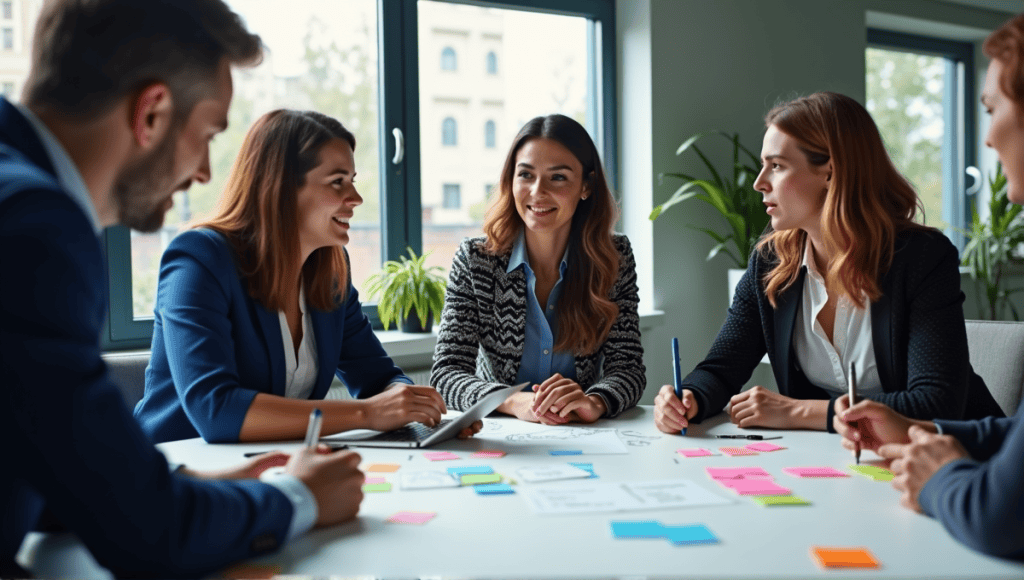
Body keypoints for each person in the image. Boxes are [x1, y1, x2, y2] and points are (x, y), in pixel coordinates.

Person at [1, 1, 364, 576]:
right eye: (208, 133)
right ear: (152, 113)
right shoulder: (35, 226)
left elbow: (39, 454)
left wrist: (173, 484)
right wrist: (300, 497)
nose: (203, 174)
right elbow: (149, 533)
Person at [654, 91, 1004, 435]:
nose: (760, 183)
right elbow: (720, 369)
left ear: (831, 172)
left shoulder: (922, 259)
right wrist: (689, 397)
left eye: (776, 166)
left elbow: (936, 403)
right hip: (843, 461)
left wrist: (802, 411)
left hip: (959, 461)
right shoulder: (770, 263)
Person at [134, 109, 477, 444]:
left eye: (352, 182)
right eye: (337, 182)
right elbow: (216, 409)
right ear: (281, 188)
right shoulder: (199, 259)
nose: (355, 198)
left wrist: (412, 405)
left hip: (273, 467)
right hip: (177, 475)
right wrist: (367, 413)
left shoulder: (330, 269)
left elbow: (377, 376)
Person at [834, 13, 1024, 560]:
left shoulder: (921, 255)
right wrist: (927, 431)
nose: (986, 138)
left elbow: (999, 517)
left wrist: (940, 475)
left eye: (992, 109)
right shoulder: (770, 263)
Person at [431, 114, 645, 425]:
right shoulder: (476, 260)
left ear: (585, 185)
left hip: (583, 434)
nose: (537, 191)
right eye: (526, 175)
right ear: (511, 180)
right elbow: (446, 373)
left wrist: (594, 402)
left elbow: (627, 369)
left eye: (557, 177)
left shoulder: (614, 257)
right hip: (502, 436)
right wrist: (513, 401)